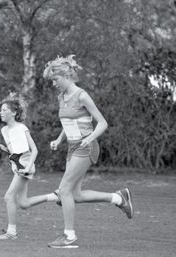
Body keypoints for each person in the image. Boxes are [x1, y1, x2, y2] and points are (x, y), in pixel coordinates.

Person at [43, 55, 133, 249]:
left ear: (66, 75)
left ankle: (69, 237)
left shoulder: (81, 95)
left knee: (64, 190)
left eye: (55, 79)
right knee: (75, 195)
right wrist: (59, 139)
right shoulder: (62, 96)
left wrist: (88, 139)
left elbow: (102, 123)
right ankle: (119, 198)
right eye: (51, 80)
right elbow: (69, 121)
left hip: (86, 147)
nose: (53, 83)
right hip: (72, 147)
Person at [0, 94, 60, 240]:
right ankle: (54, 196)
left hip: (25, 165)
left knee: (9, 197)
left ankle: (11, 233)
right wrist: (4, 149)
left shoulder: (21, 127)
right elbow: (14, 150)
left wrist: (28, 167)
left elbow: (34, 150)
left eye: (4, 110)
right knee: (23, 203)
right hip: (17, 166)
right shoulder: (4, 130)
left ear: (13, 113)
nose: (1, 112)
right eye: (1, 110)